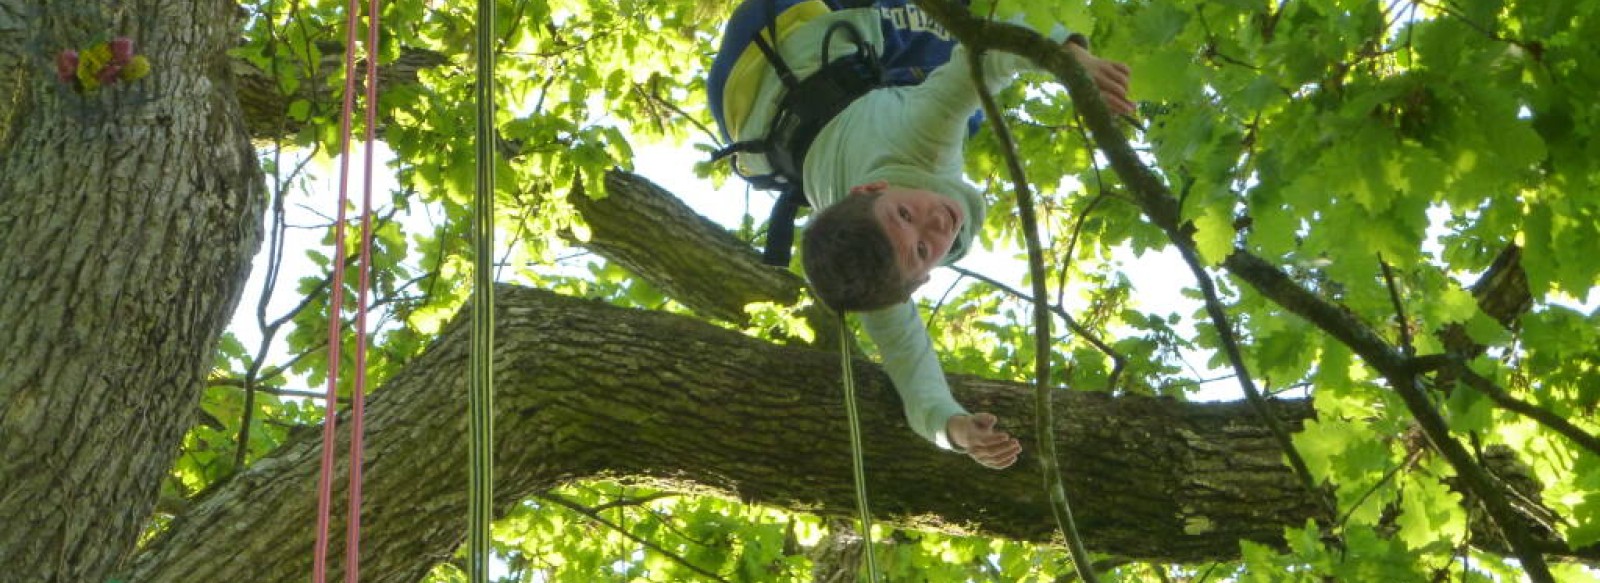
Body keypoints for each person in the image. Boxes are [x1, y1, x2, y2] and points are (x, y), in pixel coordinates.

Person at [708, 0, 1133, 470]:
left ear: (872, 187)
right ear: (920, 281)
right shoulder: (879, 279)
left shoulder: (922, 137)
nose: (935, 225)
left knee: (958, 22)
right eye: (924, 250)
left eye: (905, 213)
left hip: (788, 20)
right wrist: (953, 429)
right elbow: (914, 377)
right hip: (739, 110)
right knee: (967, 116)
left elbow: (986, 54)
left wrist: (1070, 59)